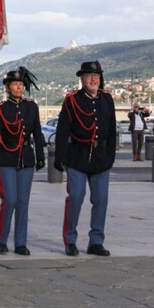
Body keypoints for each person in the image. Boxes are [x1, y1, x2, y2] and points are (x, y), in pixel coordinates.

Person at [54, 60, 116, 257]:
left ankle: (96, 241)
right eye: (89, 76)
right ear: (82, 78)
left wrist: (111, 156)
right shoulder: (72, 100)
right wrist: (59, 157)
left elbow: (112, 129)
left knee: (101, 200)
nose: (93, 79)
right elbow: (62, 130)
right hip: (77, 157)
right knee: (76, 198)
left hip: (100, 158)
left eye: (96, 76)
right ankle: (70, 240)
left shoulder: (107, 99)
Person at [0, 66, 46, 256]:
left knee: (22, 203)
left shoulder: (31, 106)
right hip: (5, 158)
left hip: (26, 158)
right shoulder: (0, 109)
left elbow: (37, 132)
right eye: (14, 85)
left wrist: (40, 156)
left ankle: (20, 243)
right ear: (8, 87)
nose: (18, 88)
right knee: (9, 200)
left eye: (20, 84)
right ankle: (2, 240)